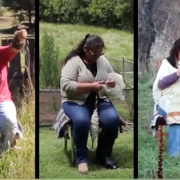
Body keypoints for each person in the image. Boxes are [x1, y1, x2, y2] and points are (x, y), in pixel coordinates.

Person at [60, 34, 121, 174]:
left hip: (100, 99)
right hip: (75, 101)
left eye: (101, 53)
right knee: (81, 121)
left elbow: (112, 76)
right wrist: (90, 86)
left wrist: (111, 82)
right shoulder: (73, 62)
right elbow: (65, 85)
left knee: (112, 119)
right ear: (85, 48)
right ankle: (82, 159)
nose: (98, 56)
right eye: (95, 53)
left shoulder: (103, 61)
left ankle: (104, 155)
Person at [0, 29, 27, 156]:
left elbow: (14, 48)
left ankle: (5, 151)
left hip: (2, 100)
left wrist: (19, 38)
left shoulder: (1, 53)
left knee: (9, 120)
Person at [151, 37, 180, 157]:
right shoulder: (166, 64)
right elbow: (160, 84)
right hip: (166, 103)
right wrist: (177, 74)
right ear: (177, 50)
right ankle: (175, 153)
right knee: (176, 109)